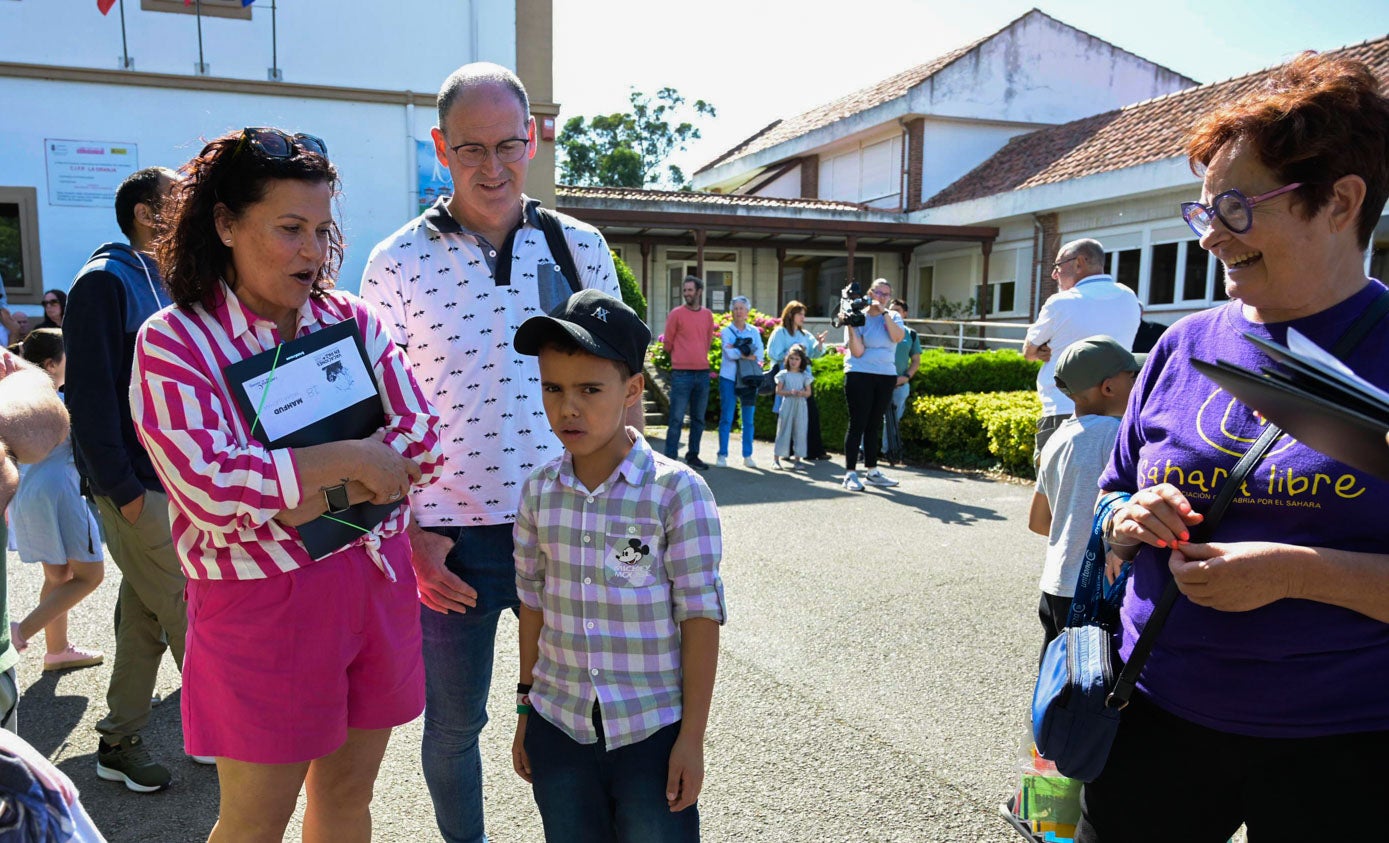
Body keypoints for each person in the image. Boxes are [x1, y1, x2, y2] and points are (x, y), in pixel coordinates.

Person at [1082, 53, 1389, 842]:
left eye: (1236, 208)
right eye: (1202, 211)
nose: (1210, 235)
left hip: (1349, 744)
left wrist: (1295, 572)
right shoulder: (1180, 346)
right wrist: (1125, 518)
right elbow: (1111, 490)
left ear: (1339, 202)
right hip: (1154, 714)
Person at [130, 127, 443, 841]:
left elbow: (421, 440)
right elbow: (214, 494)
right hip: (262, 610)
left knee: (346, 795)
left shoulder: (351, 320)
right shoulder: (176, 342)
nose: (312, 249)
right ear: (226, 223)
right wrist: (356, 459)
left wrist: (304, 493)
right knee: (255, 819)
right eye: (290, 228)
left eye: (323, 229)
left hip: (372, 578)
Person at [360, 62, 627, 843]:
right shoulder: (395, 263)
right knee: (452, 725)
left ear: (533, 139)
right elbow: (380, 415)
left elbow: (614, 388)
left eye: (508, 144)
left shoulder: (579, 247)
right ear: (440, 148)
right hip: (451, 536)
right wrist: (408, 531)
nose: (491, 166)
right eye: (470, 148)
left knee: (581, 710)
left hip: (570, 520)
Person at [510, 289, 725, 842]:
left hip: (650, 731)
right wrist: (525, 712)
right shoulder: (538, 493)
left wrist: (692, 739)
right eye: (552, 388)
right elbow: (532, 606)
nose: (568, 408)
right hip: (559, 727)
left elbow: (699, 617)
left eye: (589, 389)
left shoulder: (676, 492)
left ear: (631, 390)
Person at [63, 165, 192, 791]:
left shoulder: (163, 280)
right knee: (196, 615)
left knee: (143, 618)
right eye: (178, 200)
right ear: (146, 213)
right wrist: (124, 493)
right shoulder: (104, 281)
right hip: (138, 491)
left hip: (171, 487)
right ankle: (236, 737)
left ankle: (118, 741)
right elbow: (87, 399)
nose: (192, 209)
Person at [1026, 336, 1139, 663]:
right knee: (1095, 694)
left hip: (1055, 584)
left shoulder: (1055, 439)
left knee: (1059, 687)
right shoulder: (1116, 435)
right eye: (1133, 377)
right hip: (1096, 588)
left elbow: (1038, 522)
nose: (1139, 382)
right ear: (1108, 388)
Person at [8, 328, 105, 672]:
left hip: (28, 494)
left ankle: (57, 650)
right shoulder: (59, 401)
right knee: (91, 575)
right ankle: (18, 634)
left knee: (58, 575)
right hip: (60, 492)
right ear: (51, 364)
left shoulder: (18, 397)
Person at [0, 357, 71, 733]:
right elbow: (42, 429)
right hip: (52, 494)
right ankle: (27, 632)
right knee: (80, 575)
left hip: (39, 494)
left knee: (61, 573)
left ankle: (56, 648)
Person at [1023, 238, 1140, 460]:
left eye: (1058, 266)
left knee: (1052, 490)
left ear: (1079, 263)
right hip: (1116, 412)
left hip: (1065, 408)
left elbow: (1029, 351)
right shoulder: (1128, 296)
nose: (1054, 275)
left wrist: (1040, 350)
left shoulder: (1060, 302)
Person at [841, 278, 905, 491]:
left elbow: (897, 337)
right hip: (859, 373)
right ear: (870, 293)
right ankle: (850, 473)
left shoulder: (893, 315)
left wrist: (884, 313)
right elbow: (858, 351)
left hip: (885, 374)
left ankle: (872, 470)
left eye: (886, 294)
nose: (881, 297)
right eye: (878, 293)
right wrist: (850, 325)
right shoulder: (859, 315)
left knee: (874, 424)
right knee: (857, 423)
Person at [663, 275, 716, 470]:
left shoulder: (707, 315)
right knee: (676, 418)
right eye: (685, 290)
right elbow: (667, 342)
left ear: (699, 292)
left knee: (699, 419)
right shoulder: (676, 314)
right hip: (681, 374)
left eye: (690, 290)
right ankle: (669, 459)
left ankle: (693, 455)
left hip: (702, 374)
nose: (686, 294)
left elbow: (708, 341)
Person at [765, 300, 829, 459]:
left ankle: (814, 451)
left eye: (804, 315)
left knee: (810, 414)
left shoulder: (804, 334)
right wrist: (794, 351)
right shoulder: (780, 333)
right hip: (786, 378)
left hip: (803, 379)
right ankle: (787, 451)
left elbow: (815, 353)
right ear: (791, 315)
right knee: (787, 416)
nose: (803, 317)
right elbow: (773, 354)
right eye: (800, 314)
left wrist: (819, 345)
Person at [716, 296, 763, 469]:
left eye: (741, 308)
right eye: (735, 308)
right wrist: (745, 354)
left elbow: (759, 355)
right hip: (729, 378)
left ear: (747, 311)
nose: (738, 311)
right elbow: (729, 354)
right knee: (726, 417)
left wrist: (738, 351)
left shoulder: (754, 332)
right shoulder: (727, 331)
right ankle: (722, 454)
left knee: (748, 420)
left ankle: (747, 455)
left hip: (748, 379)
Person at [881, 298, 920, 459]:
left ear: (905, 313)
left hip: (899, 384)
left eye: (897, 310)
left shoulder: (910, 334)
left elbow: (916, 360)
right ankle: (863, 451)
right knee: (869, 417)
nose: (893, 313)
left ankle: (888, 450)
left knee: (893, 419)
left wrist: (906, 377)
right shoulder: (881, 329)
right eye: (890, 310)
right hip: (879, 382)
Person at [772, 344, 813, 470]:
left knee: (800, 431)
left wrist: (801, 393)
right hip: (787, 403)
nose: (794, 362)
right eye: (792, 358)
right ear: (787, 360)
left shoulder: (804, 375)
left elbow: (808, 392)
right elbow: (778, 391)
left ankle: (798, 459)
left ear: (801, 361)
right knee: (783, 429)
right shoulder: (783, 374)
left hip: (801, 405)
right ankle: (776, 459)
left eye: (797, 359)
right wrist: (790, 392)